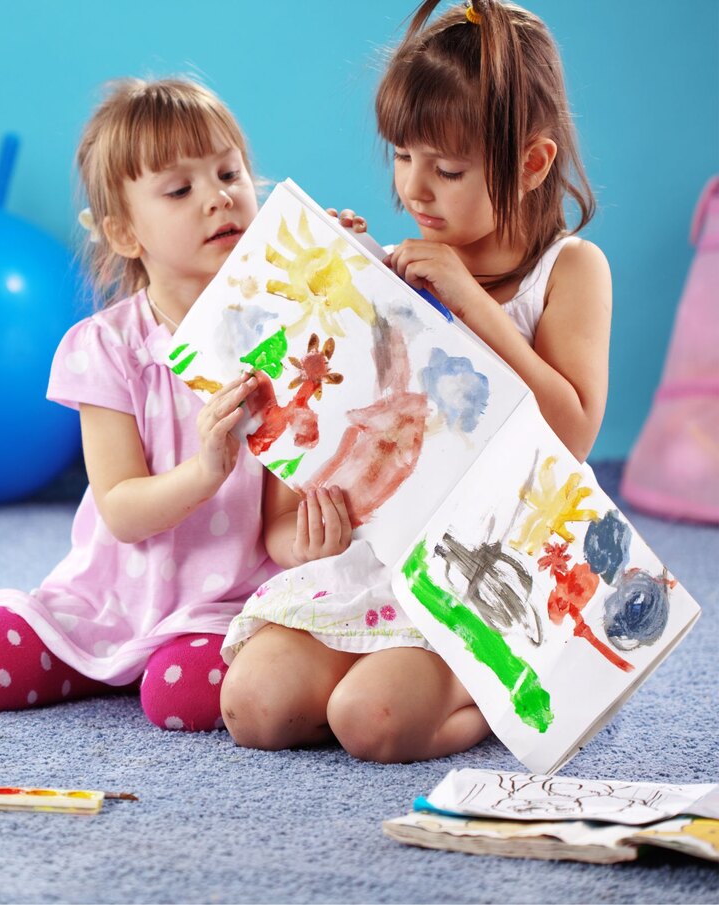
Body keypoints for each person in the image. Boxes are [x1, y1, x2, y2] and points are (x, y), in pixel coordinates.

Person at [220, 0, 612, 763]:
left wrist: (471, 302)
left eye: (448, 168)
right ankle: (387, 665)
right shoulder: (405, 261)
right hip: (384, 563)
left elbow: (572, 433)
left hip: (493, 570)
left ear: (532, 163)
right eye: (403, 156)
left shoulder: (569, 270)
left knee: (375, 721)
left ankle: (528, 689)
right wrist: (337, 288)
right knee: (252, 703)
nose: (415, 189)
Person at [0, 78, 281, 731]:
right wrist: (205, 470)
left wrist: (347, 261)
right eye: (180, 189)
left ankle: (158, 665)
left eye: (229, 172)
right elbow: (121, 509)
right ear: (122, 233)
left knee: (178, 695)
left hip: (230, 600)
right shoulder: (109, 346)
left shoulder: (288, 327)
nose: (219, 196)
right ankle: (117, 658)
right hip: (112, 594)